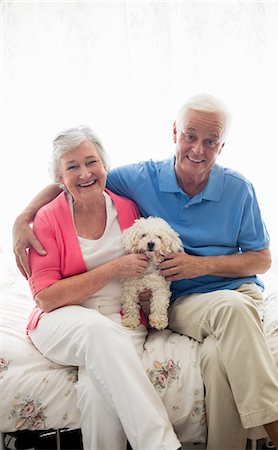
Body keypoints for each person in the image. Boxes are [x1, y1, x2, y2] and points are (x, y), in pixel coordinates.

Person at [13, 95, 278, 450]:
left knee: (216, 361)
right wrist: (22, 217)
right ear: (175, 133)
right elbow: (75, 180)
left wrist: (201, 265)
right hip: (181, 302)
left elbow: (262, 259)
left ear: (221, 146)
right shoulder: (139, 180)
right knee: (225, 313)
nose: (198, 149)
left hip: (227, 293)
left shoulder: (234, 190)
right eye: (190, 136)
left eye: (210, 141)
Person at [21, 126, 181, 450]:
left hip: (122, 317)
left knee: (98, 393)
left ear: (105, 164)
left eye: (91, 162)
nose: (84, 173)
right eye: (72, 166)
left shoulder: (126, 207)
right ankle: (161, 445)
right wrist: (114, 269)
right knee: (99, 331)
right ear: (59, 177)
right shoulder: (47, 219)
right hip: (62, 319)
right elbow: (46, 297)